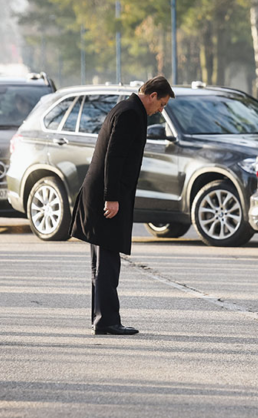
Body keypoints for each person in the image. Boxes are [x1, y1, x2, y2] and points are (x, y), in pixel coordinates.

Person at [69, 76, 174, 335]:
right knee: (107, 261)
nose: (160, 110)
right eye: (161, 104)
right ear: (151, 96)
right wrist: (111, 197)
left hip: (103, 193)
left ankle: (101, 318)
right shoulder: (130, 114)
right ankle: (107, 321)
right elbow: (113, 158)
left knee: (102, 261)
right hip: (107, 197)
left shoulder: (127, 109)